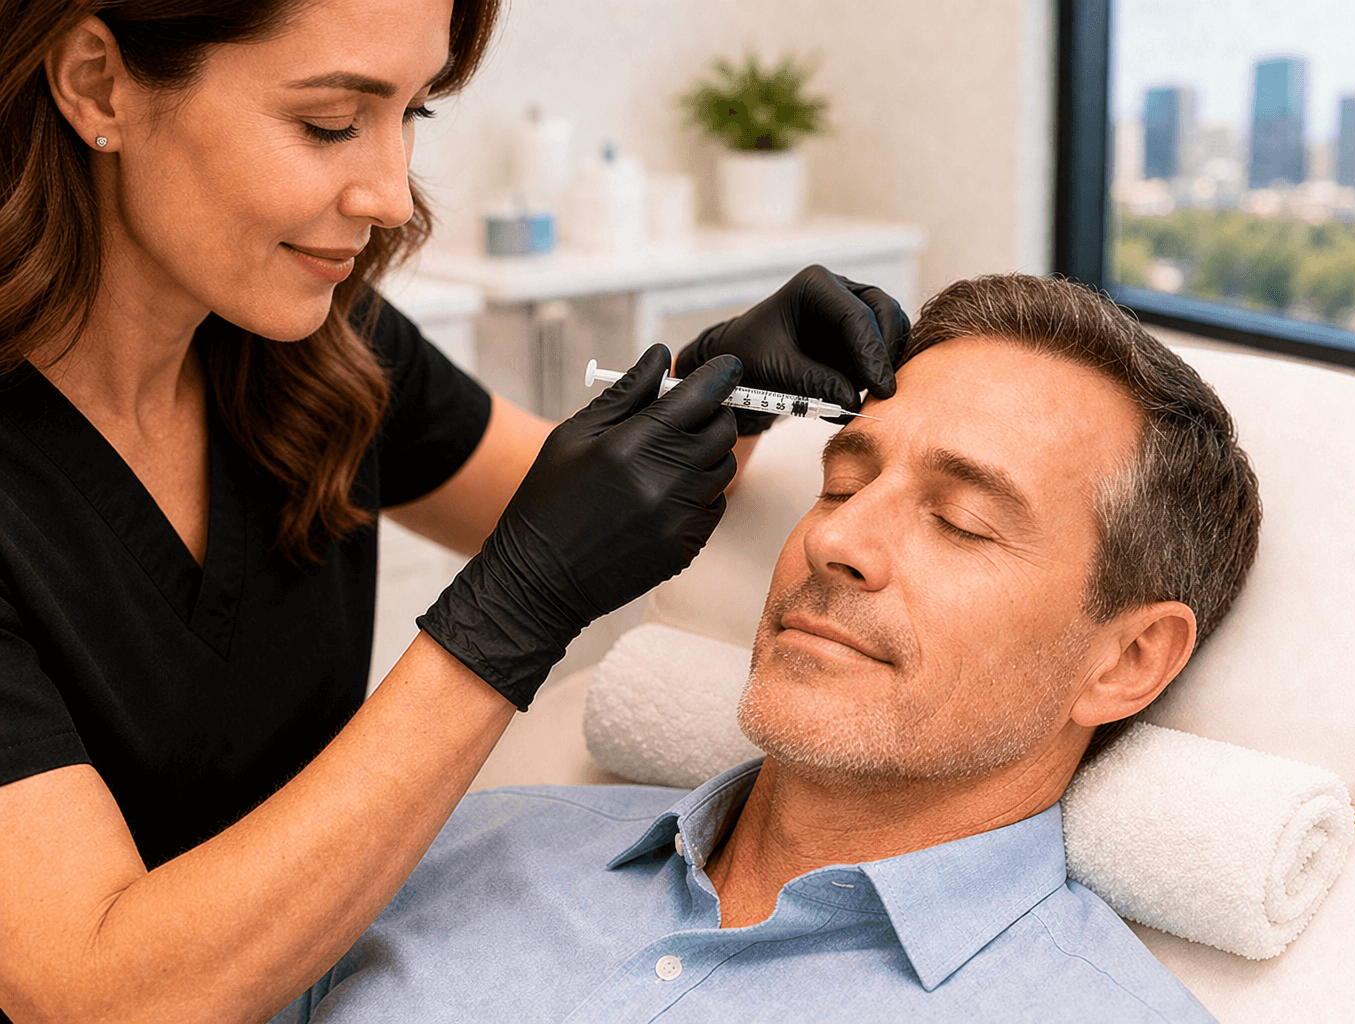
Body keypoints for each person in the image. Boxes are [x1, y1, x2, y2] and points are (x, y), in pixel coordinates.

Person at [0, 0, 908, 1020]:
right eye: (331, 122)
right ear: (95, 83)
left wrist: (719, 394)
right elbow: (93, 992)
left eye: (413, 116)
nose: (390, 196)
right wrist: (509, 612)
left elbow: (573, 506)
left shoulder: (315, 351)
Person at [279, 273, 1263, 1022]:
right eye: (838, 484)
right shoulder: (459, 848)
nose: (833, 539)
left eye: (959, 520)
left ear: (1127, 659)